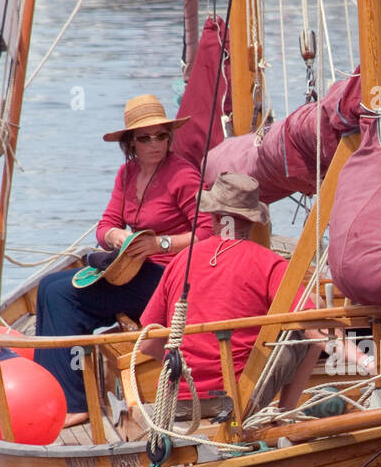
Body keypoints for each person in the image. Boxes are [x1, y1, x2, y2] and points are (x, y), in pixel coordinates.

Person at [34, 94, 213, 425]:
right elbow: (105, 226)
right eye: (145, 138)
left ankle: (75, 402)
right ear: (131, 142)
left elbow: (207, 233)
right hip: (136, 271)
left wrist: (160, 244)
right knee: (46, 286)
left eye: (161, 135)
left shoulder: (182, 175)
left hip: (167, 278)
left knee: (63, 297)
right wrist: (116, 237)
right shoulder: (127, 174)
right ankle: (48, 391)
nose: (155, 143)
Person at [139, 173, 331, 419]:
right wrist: (360, 359)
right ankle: (287, 413)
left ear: (214, 217)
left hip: (175, 404)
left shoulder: (180, 261)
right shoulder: (269, 263)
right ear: (253, 222)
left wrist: (187, 370)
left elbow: (147, 344)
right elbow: (314, 329)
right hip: (235, 404)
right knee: (304, 322)